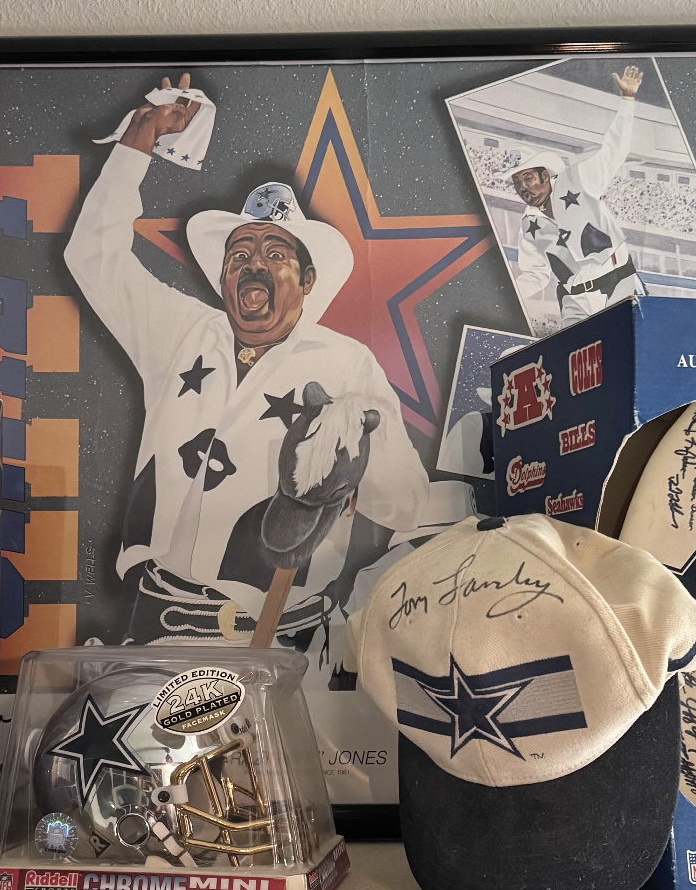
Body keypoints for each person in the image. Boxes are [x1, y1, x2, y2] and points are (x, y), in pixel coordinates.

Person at [65, 73, 428, 651]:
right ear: (224, 275)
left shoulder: (346, 365)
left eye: (275, 253)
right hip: (156, 626)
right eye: (240, 252)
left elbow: (407, 503)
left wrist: (355, 467)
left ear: (306, 281)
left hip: (280, 646)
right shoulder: (180, 330)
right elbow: (92, 254)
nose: (253, 263)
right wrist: (140, 141)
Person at [504, 66, 647, 329]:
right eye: (516, 182)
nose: (523, 187)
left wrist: (627, 101)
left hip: (618, 285)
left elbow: (614, 150)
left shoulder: (578, 179)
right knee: (575, 362)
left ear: (545, 176)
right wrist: (504, 297)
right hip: (574, 301)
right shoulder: (528, 226)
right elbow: (535, 273)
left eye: (528, 178)